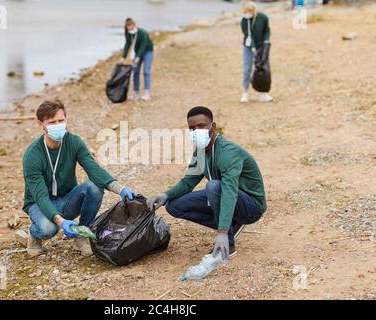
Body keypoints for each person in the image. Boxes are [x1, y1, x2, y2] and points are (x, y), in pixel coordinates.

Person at [147, 106, 267, 260]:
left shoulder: (227, 152)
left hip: (251, 206)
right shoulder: (201, 151)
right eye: (192, 128)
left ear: (213, 126)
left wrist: (222, 232)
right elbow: (189, 181)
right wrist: (165, 195)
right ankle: (231, 223)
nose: (197, 131)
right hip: (226, 197)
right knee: (173, 205)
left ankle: (228, 244)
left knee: (213, 186)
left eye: (201, 126)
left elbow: (229, 191)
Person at [19, 100, 135, 257]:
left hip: (67, 198)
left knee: (93, 188)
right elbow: (40, 196)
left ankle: (81, 235)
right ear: (41, 124)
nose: (58, 125)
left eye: (61, 120)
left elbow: (93, 169)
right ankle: (34, 234)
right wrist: (61, 222)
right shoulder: (32, 155)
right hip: (39, 203)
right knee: (48, 229)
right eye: (52, 122)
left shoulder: (74, 142)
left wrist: (120, 188)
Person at [240, 1, 273, 103]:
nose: (247, 13)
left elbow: (267, 30)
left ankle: (263, 93)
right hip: (248, 47)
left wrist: (266, 41)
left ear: (253, 10)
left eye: (249, 11)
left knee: (262, 70)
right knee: (247, 70)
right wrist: (253, 47)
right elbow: (247, 35)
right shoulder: (244, 20)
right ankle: (245, 93)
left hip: (261, 47)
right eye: (245, 12)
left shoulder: (263, 17)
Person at [121, 18, 154, 101]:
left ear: (134, 25)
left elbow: (143, 45)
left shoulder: (142, 32)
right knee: (135, 72)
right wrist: (124, 57)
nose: (130, 29)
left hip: (148, 51)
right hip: (138, 52)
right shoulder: (128, 34)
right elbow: (127, 45)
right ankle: (136, 93)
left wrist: (138, 57)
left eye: (131, 28)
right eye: (128, 28)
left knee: (146, 71)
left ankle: (146, 93)